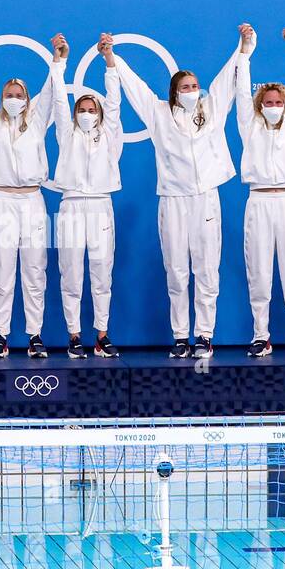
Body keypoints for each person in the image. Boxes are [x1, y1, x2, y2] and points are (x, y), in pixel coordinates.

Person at [106, 26, 250, 359]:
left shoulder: (211, 108)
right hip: (172, 200)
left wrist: (242, 48)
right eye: (185, 87)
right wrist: (112, 59)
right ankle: (181, 336)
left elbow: (228, 79)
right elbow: (136, 88)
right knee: (177, 269)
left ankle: (204, 334)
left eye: (195, 86)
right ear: (174, 92)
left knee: (206, 268)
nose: (192, 90)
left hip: (205, 198)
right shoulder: (158, 113)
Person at [0, 31, 65, 360]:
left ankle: (35, 334)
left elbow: (51, 92)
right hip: (4, 202)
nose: (14, 98)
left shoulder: (37, 122)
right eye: (9, 93)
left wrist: (59, 59)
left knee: (35, 269)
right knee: (2, 269)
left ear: (26, 98)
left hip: (33, 201)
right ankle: (1, 334)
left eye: (19, 94)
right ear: (2, 97)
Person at [234, 25, 285, 358]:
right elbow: (240, 92)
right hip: (258, 200)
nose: (273, 105)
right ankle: (261, 335)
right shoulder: (249, 125)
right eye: (267, 101)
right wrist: (244, 51)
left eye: (278, 101)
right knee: (259, 271)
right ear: (259, 105)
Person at [55, 35, 123, 359]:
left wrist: (108, 59)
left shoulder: (109, 136)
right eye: (81, 109)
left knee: (101, 271)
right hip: (70, 205)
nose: (86, 113)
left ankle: (102, 334)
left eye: (90, 109)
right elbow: (57, 99)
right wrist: (60, 62)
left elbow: (114, 100)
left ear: (98, 113)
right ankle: (73, 335)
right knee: (70, 271)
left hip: (100, 205)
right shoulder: (65, 135)